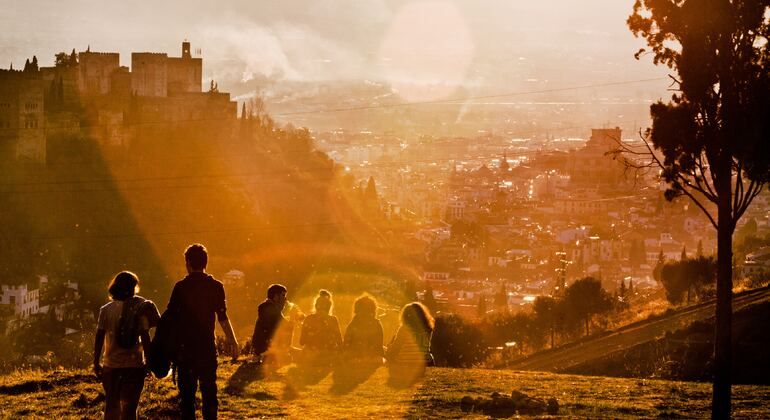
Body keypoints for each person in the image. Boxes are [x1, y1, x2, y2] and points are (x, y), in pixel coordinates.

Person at [165, 244, 239, 420]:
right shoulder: (215, 286)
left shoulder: (181, 287)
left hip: (185, 350)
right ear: (206, 262)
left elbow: (171, 318)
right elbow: (222, 317)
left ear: (188, 263)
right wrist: (233, 341)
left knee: (187, 397)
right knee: (209, 393)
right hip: (206, 347)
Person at [94, 271, 160, 420]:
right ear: (133, 288)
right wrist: (149, 361)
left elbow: (99, 338)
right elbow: (145, 336)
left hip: (111, 365)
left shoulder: (106, 310)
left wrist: (96, 361)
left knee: (111, 407)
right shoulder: (139, 308)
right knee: (130, 408)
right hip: (134, 365)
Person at [385, 302, 435, 385]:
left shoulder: (404, 329)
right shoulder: (428, 329)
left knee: (389, 350)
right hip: (423, 365)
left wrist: (388, 350)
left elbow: (396, 347)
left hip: (405, 364)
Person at [251, 284, 293, 365]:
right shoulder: (269, 308)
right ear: (276, 296)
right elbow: (276, 328)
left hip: (266, 346)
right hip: (267, 348)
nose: (285, 299)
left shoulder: (271, 308)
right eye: (283, 295)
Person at [299, 289, 342, 365]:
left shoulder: (309, 318)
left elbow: (301, 342)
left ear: (316, 306)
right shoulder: (333, 320)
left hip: (310, 356)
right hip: (328, 356)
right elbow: (340, 342)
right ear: (329, 306)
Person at [342, 294, 384, 363]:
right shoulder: (377, 324)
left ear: (356, 309)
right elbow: (379, 345)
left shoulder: (353, 324)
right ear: (373, 310)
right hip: (373, 357)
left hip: (354, 356)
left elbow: (346, 343)